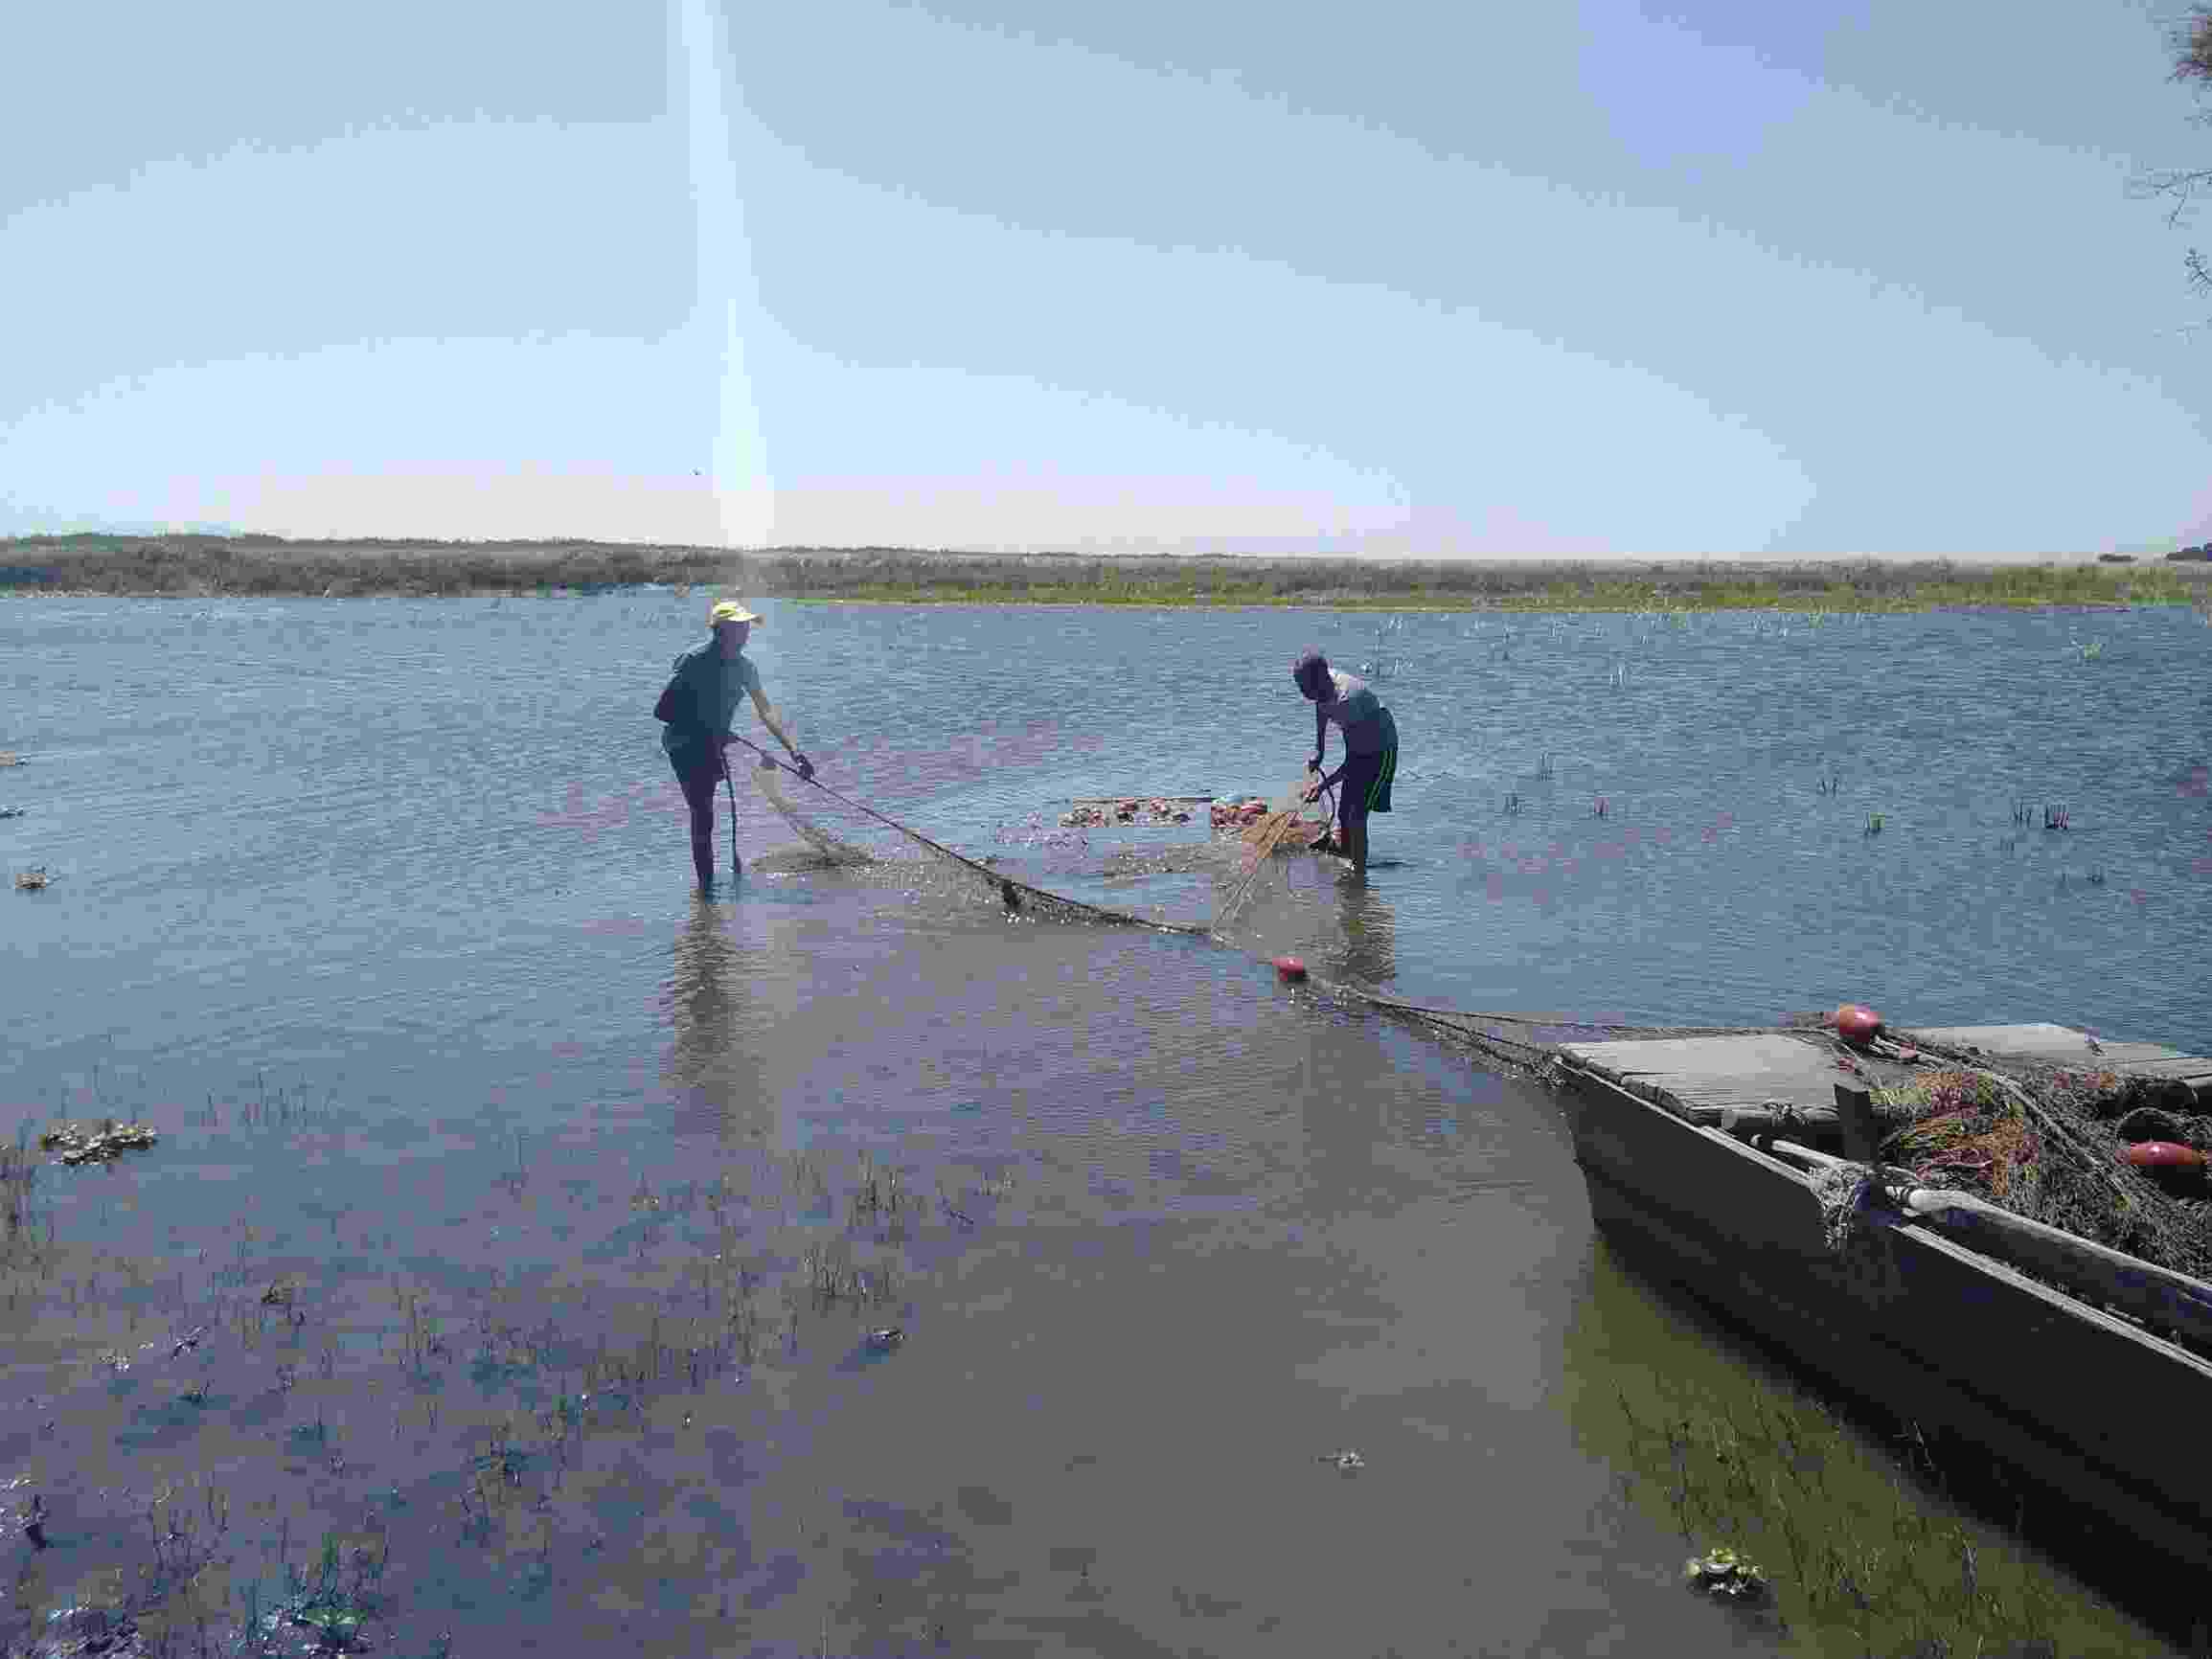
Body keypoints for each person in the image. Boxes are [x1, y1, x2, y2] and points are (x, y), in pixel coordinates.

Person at [658, 599, 813, 890]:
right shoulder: (694, 660)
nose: (746, 634)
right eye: (739, 628)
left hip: (711, 742)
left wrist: (795, 751)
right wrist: (709, 728)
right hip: (683, 743)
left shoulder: (744, 667)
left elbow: (766, 710)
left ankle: (709, 893)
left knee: (708, 814)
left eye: (747, 628)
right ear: (720, 630)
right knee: (703, 813)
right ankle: (706, 897)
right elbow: (663, 712)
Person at [1291, 648, 1397, 875]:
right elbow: (1321, 707)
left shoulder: (1346, 701)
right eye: (1299, 687)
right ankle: (1346, 853)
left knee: (1357, 814)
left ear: (1318, 681)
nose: (1302, 692)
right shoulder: (1323, 686)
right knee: (1344, 810)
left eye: (1304, 687)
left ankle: (1359, 875)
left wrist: (1322, 787)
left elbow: (1354, 762)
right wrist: (1320, 750)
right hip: (1360, 748)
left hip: (1380, 749)